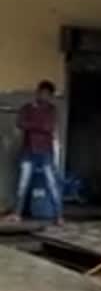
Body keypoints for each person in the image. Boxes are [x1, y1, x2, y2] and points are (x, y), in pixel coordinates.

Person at [4, 80, 62, 224]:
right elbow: (20, 123)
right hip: (28, 150)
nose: (44, 96)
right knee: (22, 184)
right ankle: (17, 214)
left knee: (52, 184)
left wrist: (31, 125)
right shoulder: (27, 108)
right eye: (42, 93)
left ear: (51, 96)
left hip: (46, 151)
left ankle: (59, 216)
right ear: (38, 93)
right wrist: (39, 125)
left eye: (48, 94)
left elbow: (48, 127)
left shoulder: (52, 110)